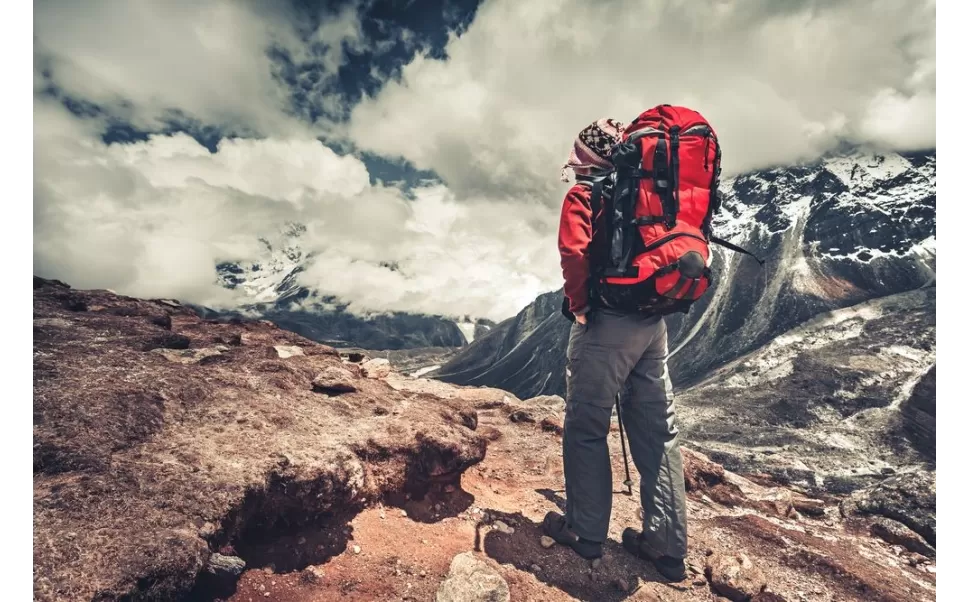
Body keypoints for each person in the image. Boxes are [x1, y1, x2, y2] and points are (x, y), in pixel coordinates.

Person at [541, 117, 689, 582]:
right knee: (657, 429)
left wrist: (581, 306)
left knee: (587, 423)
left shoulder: (586, 194)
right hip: (653, 319)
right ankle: (665, 549)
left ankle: (585, 532)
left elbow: (574, 252)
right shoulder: (651, 195)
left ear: (586, 155)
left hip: (607, 322)